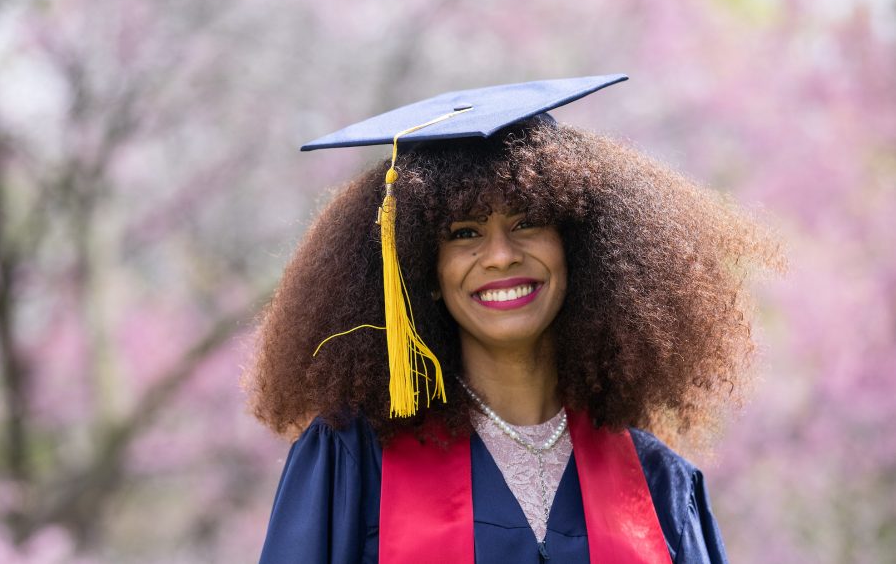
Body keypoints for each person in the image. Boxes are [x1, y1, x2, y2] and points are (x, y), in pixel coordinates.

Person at [245, 76, 781, 563]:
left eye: (528, 223)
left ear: (578, 248)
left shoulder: (658, 484)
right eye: (464, 233)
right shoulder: (354, 461)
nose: (501, 256)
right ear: (423, 269)